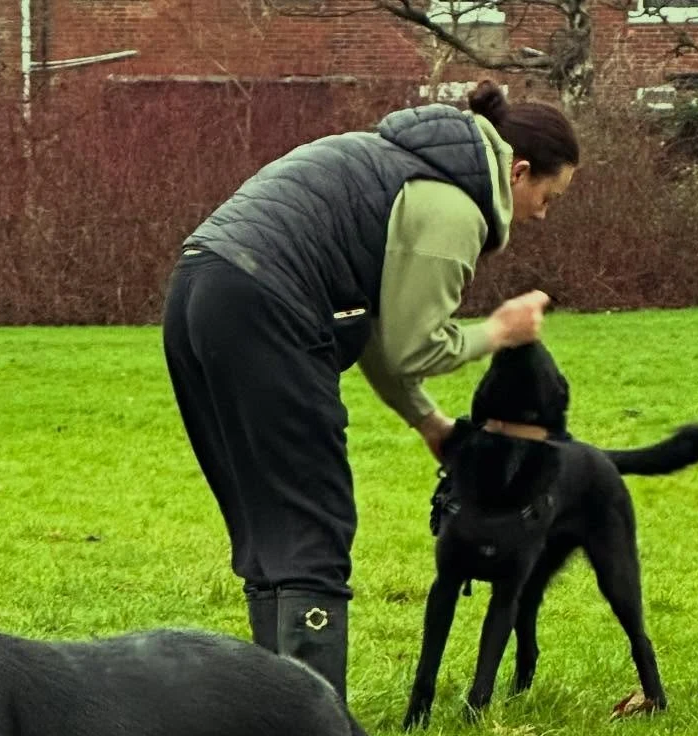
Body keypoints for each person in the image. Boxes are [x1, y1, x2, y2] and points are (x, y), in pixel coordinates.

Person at [162, 79, 579, 702]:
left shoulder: (399, 160)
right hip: (268, 307)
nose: (545, 214)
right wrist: (498, 330)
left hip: (200, 292)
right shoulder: (452, 204)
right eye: (549, 196)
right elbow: (418, 345)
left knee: (268, 525)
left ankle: (274, 720)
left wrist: (429, 423)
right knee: (313, 528)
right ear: (517, 172)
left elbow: (384, 337)